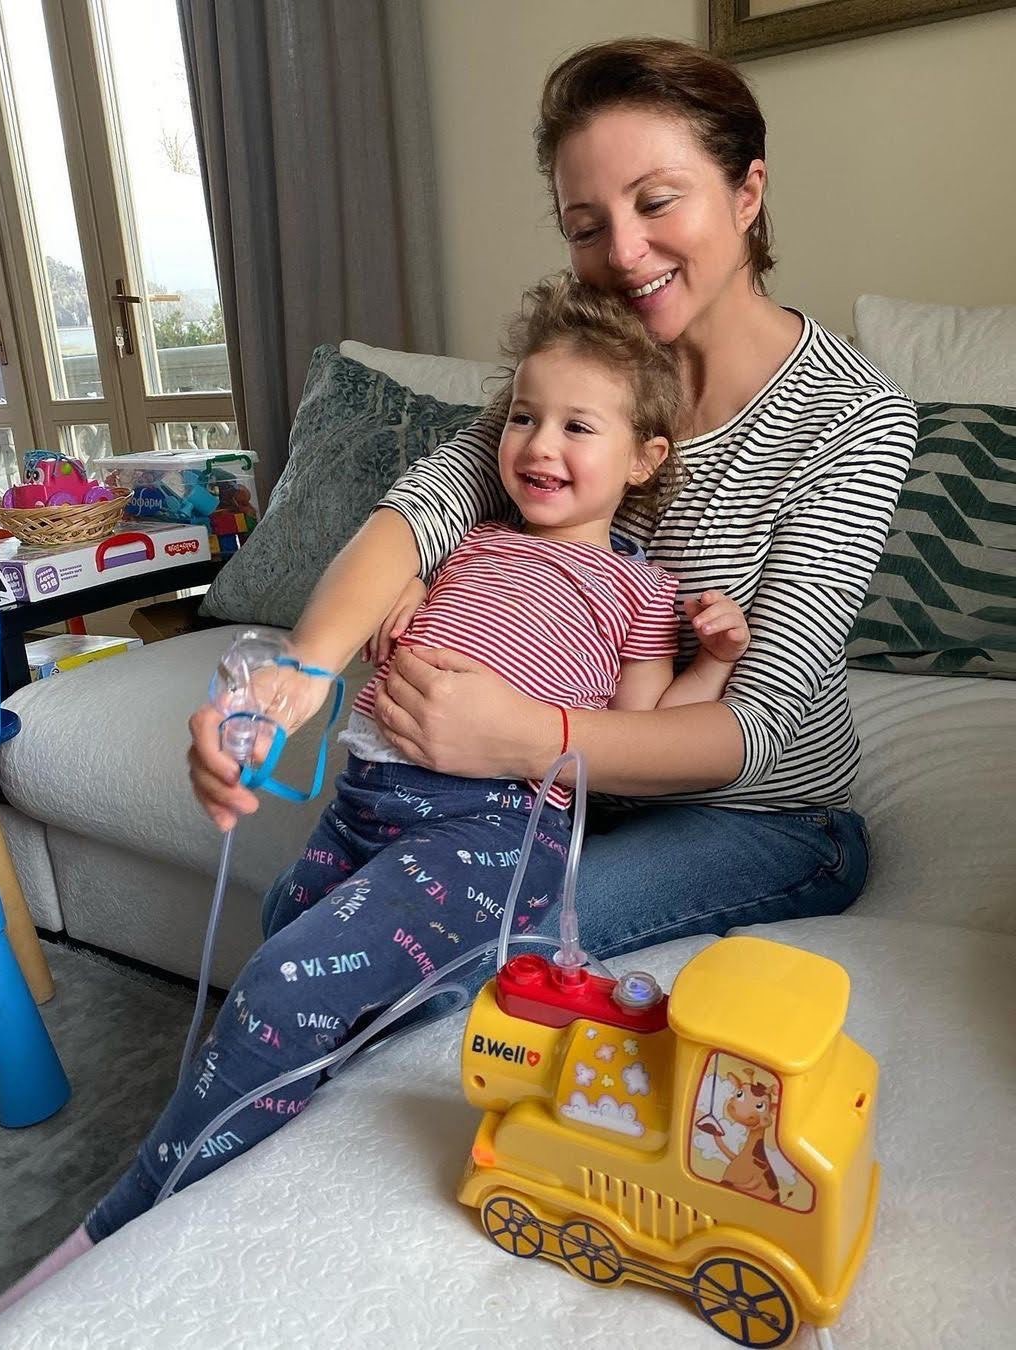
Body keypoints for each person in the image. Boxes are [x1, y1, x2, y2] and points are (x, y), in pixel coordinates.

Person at [0, 272, 753, 1345]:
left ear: (646, 458)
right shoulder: (474, 535)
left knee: (283, 987)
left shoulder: (640, 594)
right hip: (366, 798)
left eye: (578, 426)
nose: (537, 445)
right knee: (287, 924)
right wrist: (404, 599)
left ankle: (132, 1213)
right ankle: (257, 1136)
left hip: (487, 830)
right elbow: (388, 583)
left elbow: (638, 740)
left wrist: (716, 661)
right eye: (523, 417)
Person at [194, 37, 916, 963]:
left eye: (657, 201)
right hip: (545, 796)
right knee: (301, 923)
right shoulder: (582, 371)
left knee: (448, 945)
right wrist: (296, 674)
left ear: (747, 192)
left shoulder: (854, 415)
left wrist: (530, 738)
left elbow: (759, 728)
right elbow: (426, 508)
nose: (623, 252)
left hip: (756, 819)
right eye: (585, 225)